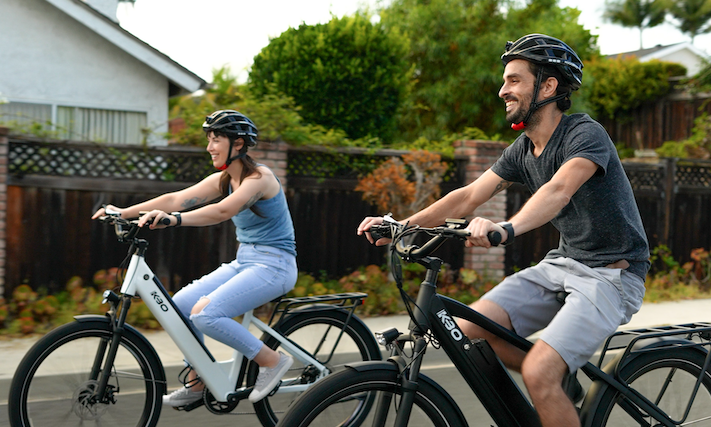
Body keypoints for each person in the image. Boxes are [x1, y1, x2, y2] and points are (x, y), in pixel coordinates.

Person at [357, 34, 649, 427]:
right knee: (468, 331)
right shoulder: (523, 148)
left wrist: (507, 229)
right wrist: (401, 226)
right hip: (563, 264)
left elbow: (558, 191)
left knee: (539, 374)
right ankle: (556, 386)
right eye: (505, 80)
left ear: (547, 86)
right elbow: (468, 195)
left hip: (612, 276)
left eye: (514, 80)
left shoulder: (584, 134)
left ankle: (549, 380)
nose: (502, 90)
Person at [92, 110, 297, 407]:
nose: (209, 146)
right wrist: (123, 212)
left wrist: (174, 221)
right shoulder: (225, 179)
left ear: (238, 144)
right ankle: (200, 380)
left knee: (205, 314)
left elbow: (222, 211)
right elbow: (176, 198)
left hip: (275, 265)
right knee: (182, 307)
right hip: (246, 261)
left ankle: (272, 360)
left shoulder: (259, 179)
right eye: (209, 139)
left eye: (216, 139)